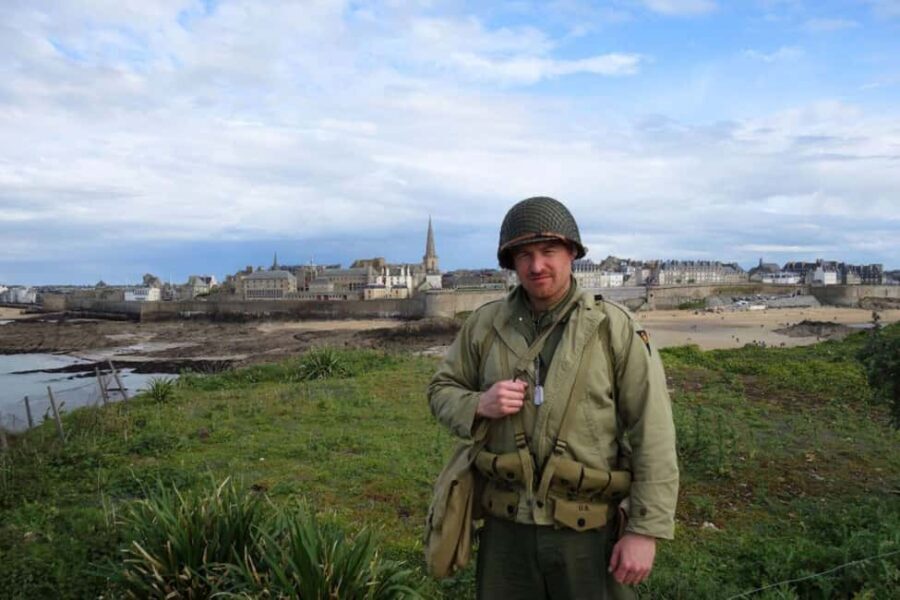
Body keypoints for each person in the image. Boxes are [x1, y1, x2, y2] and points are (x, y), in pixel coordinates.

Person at [428, 197, 678, 599]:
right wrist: (478, 405)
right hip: (506, 533)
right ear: (511, 263)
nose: (536, 266)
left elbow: (654, 429)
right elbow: (441, 390)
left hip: (589, 534)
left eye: (548, 251)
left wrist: (645, 530)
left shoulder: (615, 328)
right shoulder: (483, 326)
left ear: (572, 254)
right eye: (524, 255)